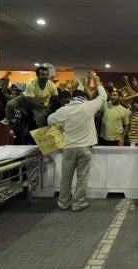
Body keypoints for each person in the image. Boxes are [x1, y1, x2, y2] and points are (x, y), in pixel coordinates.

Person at [47, 75, 107, 211]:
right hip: (85, 148)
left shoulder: (65, 110)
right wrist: (97, 82)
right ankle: (78, 203)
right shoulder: (89, 106)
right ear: (84, 98)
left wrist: (62, 123)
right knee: (82, 177)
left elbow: (50, 120)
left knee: (66, 177)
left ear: (73, 98)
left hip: (68, 148)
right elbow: (103, 97)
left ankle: (63, 203)